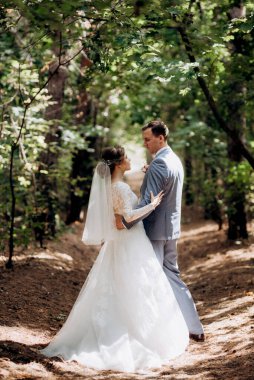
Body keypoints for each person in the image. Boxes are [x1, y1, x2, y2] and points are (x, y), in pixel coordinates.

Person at [40, 146, 189, 373]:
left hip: (119, 243)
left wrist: (145, 174)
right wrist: (152, 205)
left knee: (119, 285)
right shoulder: (119, 187)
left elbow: (118, 217)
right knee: (136, 286)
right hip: (130, 242)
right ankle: (137, 333)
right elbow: (127, 216)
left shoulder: (113, 186)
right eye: (126, 158)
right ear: (119, 164)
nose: (130, 160)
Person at [116, 120, 205, 342]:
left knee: (152, 280)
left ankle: (157, 333)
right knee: (173, 277)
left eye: (147, 139)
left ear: (160, 138)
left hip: (156, 230)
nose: (145, 144)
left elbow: (148, 201)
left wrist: (125, 223)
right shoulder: (174, 160)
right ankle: (194, 328)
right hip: (171, 229)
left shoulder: (159, 164)